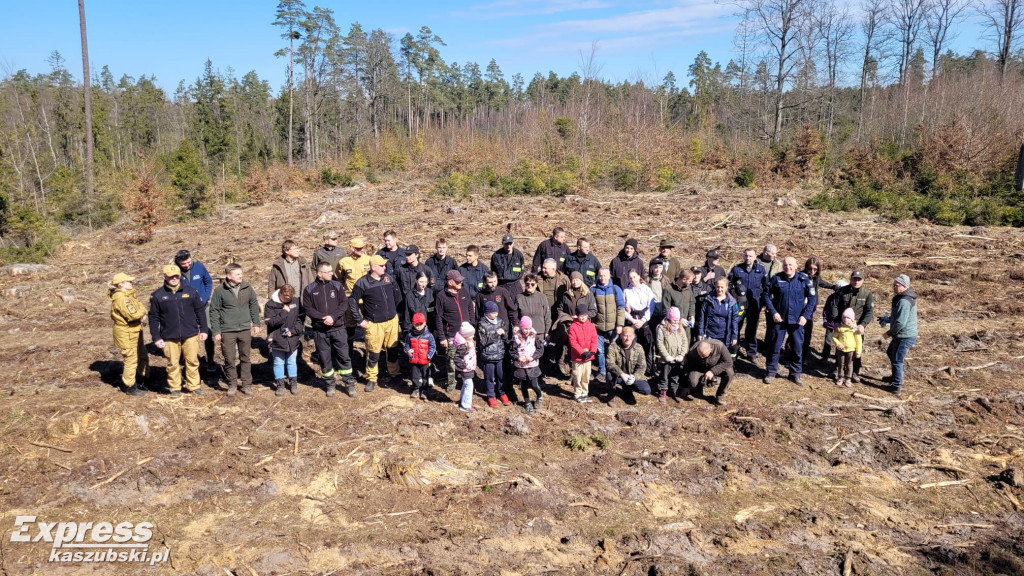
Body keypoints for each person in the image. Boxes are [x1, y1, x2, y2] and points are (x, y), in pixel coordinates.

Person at [149, 264, 209, 396]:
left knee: (192, 361)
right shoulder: (158, 295)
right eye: (171, 276)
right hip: (169, 336)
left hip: (190, 334)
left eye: (176, 275)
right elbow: (153, 318)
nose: (174, 278)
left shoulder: (191, 291)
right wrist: (156, 337)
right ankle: (175, 387)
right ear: (165, 277)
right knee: (172, 363)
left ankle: (194, 386)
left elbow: (200, 311)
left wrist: (204, 329)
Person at [348, 254, 403, 390]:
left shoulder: (388, 278)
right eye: (382, 265)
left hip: (391, 321)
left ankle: (394, 373)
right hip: (374, 324)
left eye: (385, 265)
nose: (385, 267)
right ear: (373, 268)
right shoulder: (363, 282)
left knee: (393, 349)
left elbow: (397, 294)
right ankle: (372, 378)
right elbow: (352, 301)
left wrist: (399, 312)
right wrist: (359, 320)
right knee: (373, 352)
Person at [303, 262, 356, 397]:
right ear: (319, 274)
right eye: (328, 272)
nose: (331, 274)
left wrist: (332, 317)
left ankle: (349, 383)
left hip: (338, 328)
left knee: (344, 357)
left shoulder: (337, 286)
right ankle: (330, 384)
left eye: (331, 271)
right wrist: (323, 318)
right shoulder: (309, 289)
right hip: (320, 331)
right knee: (325, 359)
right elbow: (308, 309)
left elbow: (343, 304)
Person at [762, 257, 817, 385]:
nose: (788, 267)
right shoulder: (776, 278)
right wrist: (773, 312)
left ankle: (795, 374)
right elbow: (765, 295)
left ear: (796, 266)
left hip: (797, 321)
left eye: (790, 265)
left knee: (797, 348)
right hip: (779, 320)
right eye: (785, 265)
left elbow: (812, 299)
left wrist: (805, 316)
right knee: (775, 347)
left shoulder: (803, 279)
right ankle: (770, 372)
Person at [209, 263, 261, 397]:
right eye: (237, 274)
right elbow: (214, 311)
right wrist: (216, 331)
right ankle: (232, 384)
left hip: (244, 328)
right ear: (228, 276)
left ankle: (246, 384)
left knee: (245, 358)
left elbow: (253, 305)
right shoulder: (220, 290)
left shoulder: (247, 287)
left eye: (241, 273)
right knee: (229, 359)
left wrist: (256, 323)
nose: (241, 276)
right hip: (227, 330)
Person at [434, 269, 478, 393]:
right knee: (451, 359)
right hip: (452, 334)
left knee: (468, 357)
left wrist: (472, 327)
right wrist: (442, 337)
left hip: (467, 334)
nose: (460, 283)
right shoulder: (441, 296)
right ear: (450, 282)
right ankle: (451, 382)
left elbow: (470, 309)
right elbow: (438, 318)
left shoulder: (464, 291)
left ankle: (467, 382)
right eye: (458, 281)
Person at [827, 270, 875, 383]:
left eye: (859, 279)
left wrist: (863, 325)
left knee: (857, 348)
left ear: (863, 281)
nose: (856, 281)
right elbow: (835, 307)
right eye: (854, 279)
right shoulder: (842, 291)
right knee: (840, 348)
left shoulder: (867, 293)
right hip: (842, 326)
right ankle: (837, 370)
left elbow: (869, 312)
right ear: (850, 279)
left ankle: (855, 373)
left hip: (856, 327)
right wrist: (836, 322)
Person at [175, 249, 216, 374]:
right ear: (178, 263)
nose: (187, 265)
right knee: (188, 334)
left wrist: (205, 296)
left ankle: (211, 360)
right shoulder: (175, 271)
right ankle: (189, 360)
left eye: (188, 262)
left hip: (203, 306)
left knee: (208, 332)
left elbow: (208, 281)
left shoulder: (199, 266)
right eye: (184, 264)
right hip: (186, 308)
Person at [108, 272, 148, 396]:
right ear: (121, 284)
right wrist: (142, 313)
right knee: (131, 359)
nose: (131, 283)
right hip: (126, 333)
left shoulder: (129, 295)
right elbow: (133, 315)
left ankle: (140, 379)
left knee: (142, 355)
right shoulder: (121, 299)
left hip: (134, 330)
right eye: (129, 281)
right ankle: (129, 386)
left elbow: (141, 307)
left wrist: (142, 312)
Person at [551, 270, 595, 377]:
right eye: (573, 280)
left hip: (583, 326)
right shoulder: (566, 294)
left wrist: (581, 317)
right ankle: (563, 367)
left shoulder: (588, 295)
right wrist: (567, 318)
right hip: (568, 324)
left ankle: (577, 372)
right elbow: (559, 309)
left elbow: (593, 311)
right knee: (566, 346)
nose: (575, 282)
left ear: (581, 280)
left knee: (579, 347)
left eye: (577, 280)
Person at [336, 236, 372, 367]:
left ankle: (369, 358)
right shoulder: (343, 262)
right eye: (358, 248)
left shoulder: (369, 260)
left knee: (368, 328)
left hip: (367, 300)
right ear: (351, 248)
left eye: (362, 248)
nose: (361, 250)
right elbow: (339, 279)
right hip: (350, 300)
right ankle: (349, 356)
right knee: (349, 328)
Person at [264, 284, 303, 397]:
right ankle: (280, 384)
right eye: (286, 298)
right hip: (277, 338)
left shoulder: (295, 302)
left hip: (292, 338)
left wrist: (294, 331)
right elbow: (270, 322)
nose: (288, 300)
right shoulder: (270, 305)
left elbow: (300, 320)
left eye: (290, 299)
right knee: (278, 362)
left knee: (291, 362)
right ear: (280, 294)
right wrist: (284, 312)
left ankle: (293, 383)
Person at [729, 248, 768, 361]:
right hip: (739, 304)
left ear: (755, 257)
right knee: (736, 327)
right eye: (746, 255)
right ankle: (733, 352)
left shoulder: (761, 269)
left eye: (750, 256)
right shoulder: (736, 269)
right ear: (743, 256)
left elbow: (766, 286)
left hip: (754, 304)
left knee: (752, 328)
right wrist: (734, 294)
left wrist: (762, 300)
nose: (748, 258)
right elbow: (729, 284)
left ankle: (751, 352)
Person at [882, 274, 917, 394]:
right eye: (894, 285)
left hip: (905, 336)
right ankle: (895, 377)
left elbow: (901, 322)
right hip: (901, 334)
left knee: (897, 360)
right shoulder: (901, 298)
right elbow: (897, 316)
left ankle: (896, 385)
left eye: (897, 285)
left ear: (904, 286)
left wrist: (889, 333)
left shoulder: (904, 301)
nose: (894, 287)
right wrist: (887, 319)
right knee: (890, 352)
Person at [592, 268, 626, 383]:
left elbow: (621, 308)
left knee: (614, 349)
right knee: (600, 350)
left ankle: (615, 371)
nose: (602, 278)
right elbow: (591, 308)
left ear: (609, 276)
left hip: (613, 327)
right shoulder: (594, 289)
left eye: (605, 276)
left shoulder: (615, 289)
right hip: (598, 327)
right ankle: (602, 371)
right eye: (600, 276)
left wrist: (620, 324)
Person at [802, 257, 836, 361]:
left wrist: (836, 287)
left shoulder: (816, 278)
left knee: (808, 331)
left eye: (815, 269)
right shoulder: (800, 276)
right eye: (810, 268)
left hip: (811, 308)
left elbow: (826, 284)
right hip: (799, 307)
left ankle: (805, 354)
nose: (812, 271)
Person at [477, 301, 510, 407]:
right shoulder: (482, 324)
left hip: (499, 354)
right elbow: (483, 341)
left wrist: (504, 334)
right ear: (487, 313)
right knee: (490, 376)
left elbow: (505, 337)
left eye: (496, 312)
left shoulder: (500, 321)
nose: (496, 314)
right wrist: (496, 334)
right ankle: (491, 395)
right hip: (488, 356)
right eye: (493, 313)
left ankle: (502, 393)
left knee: (500, 375)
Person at [623, 269, 656, 373]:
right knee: (632, 344)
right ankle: (633, 368)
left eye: (634, 277)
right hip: (631, 319)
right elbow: (623, 309)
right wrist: (632, 320)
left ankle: (647, 368)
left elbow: (651, 307)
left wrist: (643, 320)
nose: (633, 279)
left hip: (644, 318)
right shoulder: (626, 291)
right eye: (630, 278)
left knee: (647, 343)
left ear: (639, 276)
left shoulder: (646, 289)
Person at [682, 339, 734, 406]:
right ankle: (698, 392)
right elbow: (687, 366)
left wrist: (713, 371)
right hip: (700, 368)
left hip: (716, 367)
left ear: (711, 350)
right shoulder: (693, 350)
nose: (702, 357)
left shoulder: (719, 346)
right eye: (700, 355)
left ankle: (720, 395)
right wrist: (685, 386)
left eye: (704, 356)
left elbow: (729, 362)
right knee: (692, 381)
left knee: (729, 372)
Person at [656, 306, 689, 403]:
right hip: (666, 359)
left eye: (677, 320)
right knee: (664, 376)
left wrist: (682, 354)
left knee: (676, 375)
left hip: (677, 358)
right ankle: (663, 392)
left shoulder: (681, 328)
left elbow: (685, 342)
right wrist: (666, 355)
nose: (675, 322)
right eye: (674, 320)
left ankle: (675, 391)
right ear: (669, 318)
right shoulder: (661, 328)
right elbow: (659, 343)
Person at [607, 326, 650, 401]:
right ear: (621, 336)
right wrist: (622, 374)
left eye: (630, 336)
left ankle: (627, 390)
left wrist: (634, 377)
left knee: (646, 390)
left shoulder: (639, 348)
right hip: (619, 376)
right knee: (609, 375)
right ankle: (612, 392)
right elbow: (610, 363)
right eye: (625, 336)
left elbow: (642, 366)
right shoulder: (613, 346)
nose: (628, 338)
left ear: (633, 336)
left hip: (631, 376)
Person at [512, 316, 544, 414]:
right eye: (526, 328)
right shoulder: (516, 337)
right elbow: (512, 351)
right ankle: (528, 403)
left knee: (534, 384)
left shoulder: (534, 336)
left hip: (532, 365)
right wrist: (517, 358)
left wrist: (533, 357)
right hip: (521, 366)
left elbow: (540, 349)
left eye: (529, 328)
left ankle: (539, 396)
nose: (528, 330)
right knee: (523, 386)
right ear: (521, 327)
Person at [699, 277, 739, 355]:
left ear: (726, 287)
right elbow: (702, 316)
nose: (719, 289)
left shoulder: (732, 302)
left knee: (721, 356)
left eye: (722, 287)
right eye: (717, 287)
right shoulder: (708, 299)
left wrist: (734, 336)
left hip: (724, 336)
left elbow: (734, 320)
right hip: (709, 334)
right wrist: (700, 333)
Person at [568, 302, 598, 403]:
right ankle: (577, 393)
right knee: (577, 375)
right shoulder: (573, 326)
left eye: (585, 315)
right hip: (577, 357)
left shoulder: (591, 326)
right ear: (577, 315)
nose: (583, 317)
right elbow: (573, 342)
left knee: (586, 375)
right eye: (581, 315)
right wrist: (582, 352)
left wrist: (592, 351)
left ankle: (585, 393)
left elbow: (594, 339)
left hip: (588, 357)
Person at [404, 312, 436, 400]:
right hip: (414, 360)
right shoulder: (410, 335)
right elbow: (406, 345)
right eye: (416, 324)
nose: (418, 326)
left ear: (425, 323)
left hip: (425, 360)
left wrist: (429, 355)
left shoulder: (429, 335)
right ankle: (415, 389)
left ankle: (424, 390)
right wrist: (408, 351)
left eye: (420, 324)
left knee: (425, 375)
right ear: (413, 324)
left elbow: (433, 346)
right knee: (415, 375)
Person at [516, 273, 552, 343]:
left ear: (536, 285)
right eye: (527, 284)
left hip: (539, 333)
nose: (530, 286)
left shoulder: (542, 297)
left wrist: (547, 331)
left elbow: (547, 315)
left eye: (532, 284)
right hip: (524, 333)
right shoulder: (519, 297)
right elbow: (516, 316)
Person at [832, 308, 863, 387]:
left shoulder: (855, 328)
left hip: (851, 350)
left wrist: (858, 352)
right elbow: (834, 337)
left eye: (848, 318)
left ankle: (848, 378)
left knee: (849, 364)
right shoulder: (840, 327)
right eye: (844, 317)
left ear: (852, 319)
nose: (846, 319)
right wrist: (838, 343)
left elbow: (859, 340)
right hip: (841, 350)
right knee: (841, 364)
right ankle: (840, 377)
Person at [452, 322, 478, 412]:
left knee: (466, 384)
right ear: (465, 336)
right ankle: (465, 405)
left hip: (469, 367)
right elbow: (457, 358)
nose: (473, 336)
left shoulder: (469, 341)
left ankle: (463, 401)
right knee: (469, 385)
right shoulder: (463, 345)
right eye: (471, 335)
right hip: (465, 369)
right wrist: (464, 366)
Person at [491, 232, 526, 299]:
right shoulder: (496, 256)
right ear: (502, 243)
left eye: (510, 243)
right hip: (501, 285)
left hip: (515, 286)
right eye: (506, 244)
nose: (508, 246)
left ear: (513, 243)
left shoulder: (518, 255)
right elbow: (493, 271)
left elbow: (522, 270)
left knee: (518, 305)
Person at [821, 279, 848, 358]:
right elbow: (826, 309)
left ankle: (838, 357)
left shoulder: (845, 299)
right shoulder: (831, 297)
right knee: (828, 340)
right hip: (830, 323)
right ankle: (825, 356)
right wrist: (825, 320)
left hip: (841, 324)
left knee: (840, 340)